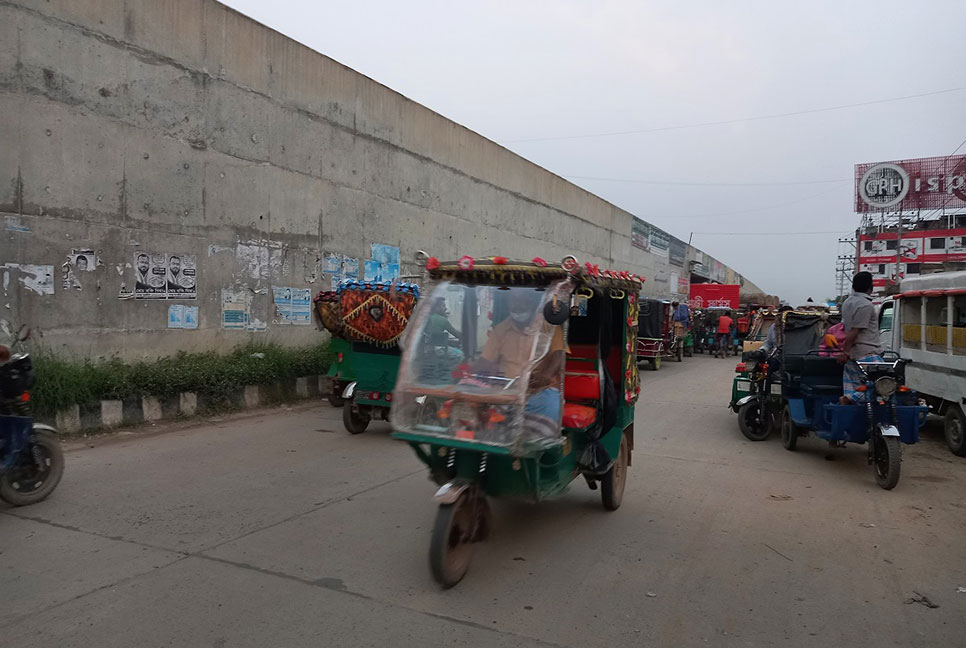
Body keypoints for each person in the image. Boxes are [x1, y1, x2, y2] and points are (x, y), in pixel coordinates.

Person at [477, 289, 566, 422]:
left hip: (540, 390)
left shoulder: (549, 325)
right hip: (506, 391)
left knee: (551, 404)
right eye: (513, 300)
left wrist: (546, 374)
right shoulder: (500, 330)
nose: (517, 305)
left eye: (522, 299)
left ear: (532, 302)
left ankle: (542, 441)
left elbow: (559, 353)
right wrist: (475, 372)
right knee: (482, 417)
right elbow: (485, 360)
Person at [837, 271, 883, 404]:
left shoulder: (847, 303)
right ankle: (848, 399)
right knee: (883, 388)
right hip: (868, 355)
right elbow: (855, 331)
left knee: (854, 388)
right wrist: (845, 351)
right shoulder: (865, 305)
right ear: (871, 287)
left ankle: (850, 402)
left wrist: (846, 352)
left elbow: (846, 328)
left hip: (853, 357)